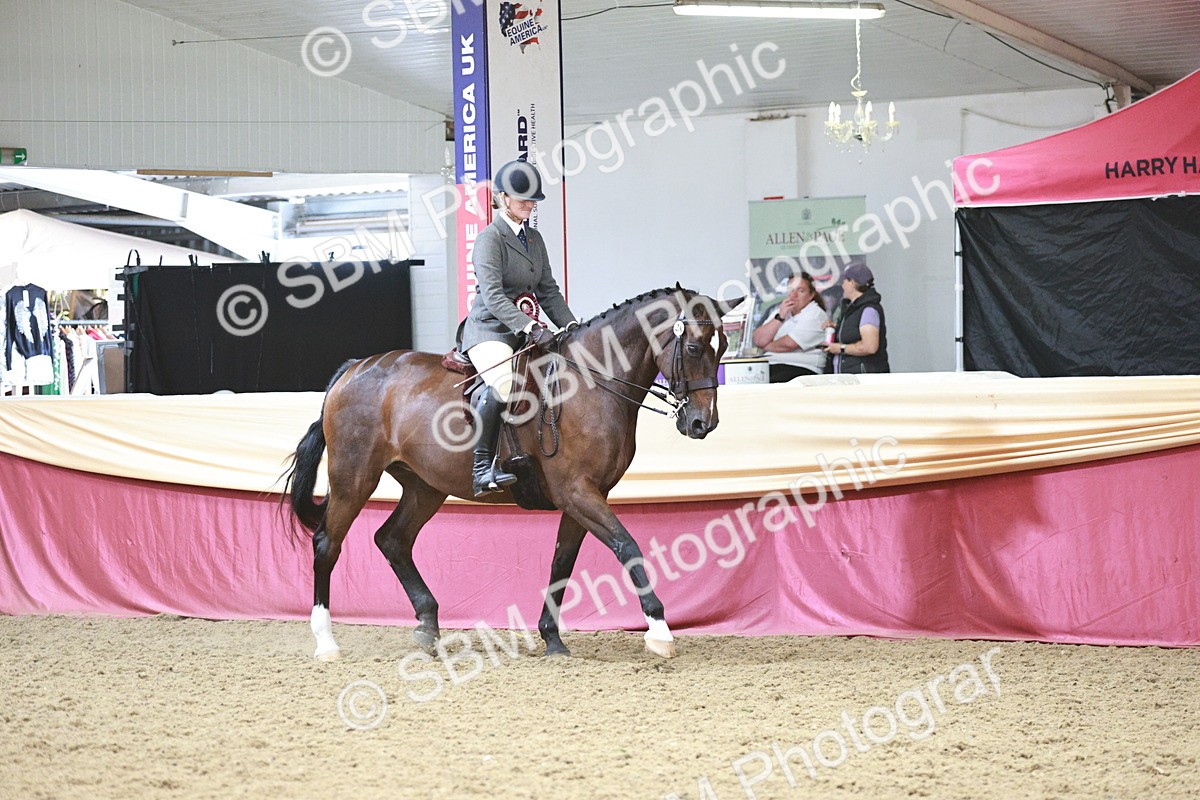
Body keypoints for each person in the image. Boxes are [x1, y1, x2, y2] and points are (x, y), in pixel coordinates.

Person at [459, 159, 578, 497]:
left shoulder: (534, 239)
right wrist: (529, 326)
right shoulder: (489, 239)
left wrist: (570, 326)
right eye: (523, 199)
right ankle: (482, 467)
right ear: (502, 198)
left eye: (532, 200)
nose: (530, 205)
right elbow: (493, 296)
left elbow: (548, 291)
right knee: (505, 383)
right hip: (491, 330)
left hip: (523, 332)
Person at [750, 272, 829, 382]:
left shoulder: (816, 314)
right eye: (791, 289)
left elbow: (788, 345)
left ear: (811, 295)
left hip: (800, 368)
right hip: (770, 365)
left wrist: (764, 346)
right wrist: (780, 317)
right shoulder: (780, 311)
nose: (794, 295)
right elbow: (758, 340)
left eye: (800, 291)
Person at [822, 263, 890, 373]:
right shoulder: (851, 308)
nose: (842, 286)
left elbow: (869, 346)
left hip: (862, 379)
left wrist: (840, 348)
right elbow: (854, 331)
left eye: (843, 281)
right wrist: (838, 328)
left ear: (852, 282)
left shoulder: (868, 310)